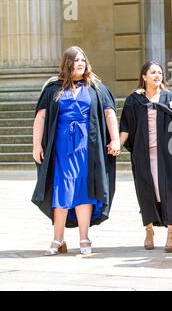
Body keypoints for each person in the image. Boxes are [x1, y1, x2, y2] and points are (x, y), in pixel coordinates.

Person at [32, 46, 120, 256]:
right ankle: (58, 238)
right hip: (60, 148)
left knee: (84, 189)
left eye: (82, 60)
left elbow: (109, 114)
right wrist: (37, 145)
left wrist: (115, 139)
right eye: (75, 60)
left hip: (87, 147)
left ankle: (84, 238)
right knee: (60, 189)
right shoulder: (53, 88)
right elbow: (41, 117)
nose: (80, 63)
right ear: (67, 64)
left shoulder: (96, 88)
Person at [119, 61, 172, 253]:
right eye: (153, 73)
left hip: (168, 154)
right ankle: (149, 229)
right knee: (146, 190)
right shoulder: (134, 100)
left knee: (170, 189)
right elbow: (126, 127)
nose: (157, 75)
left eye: (159, 72)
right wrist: (116, 144)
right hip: (144, 153)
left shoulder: (169, 97)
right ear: (144, 76)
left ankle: (171, 230)